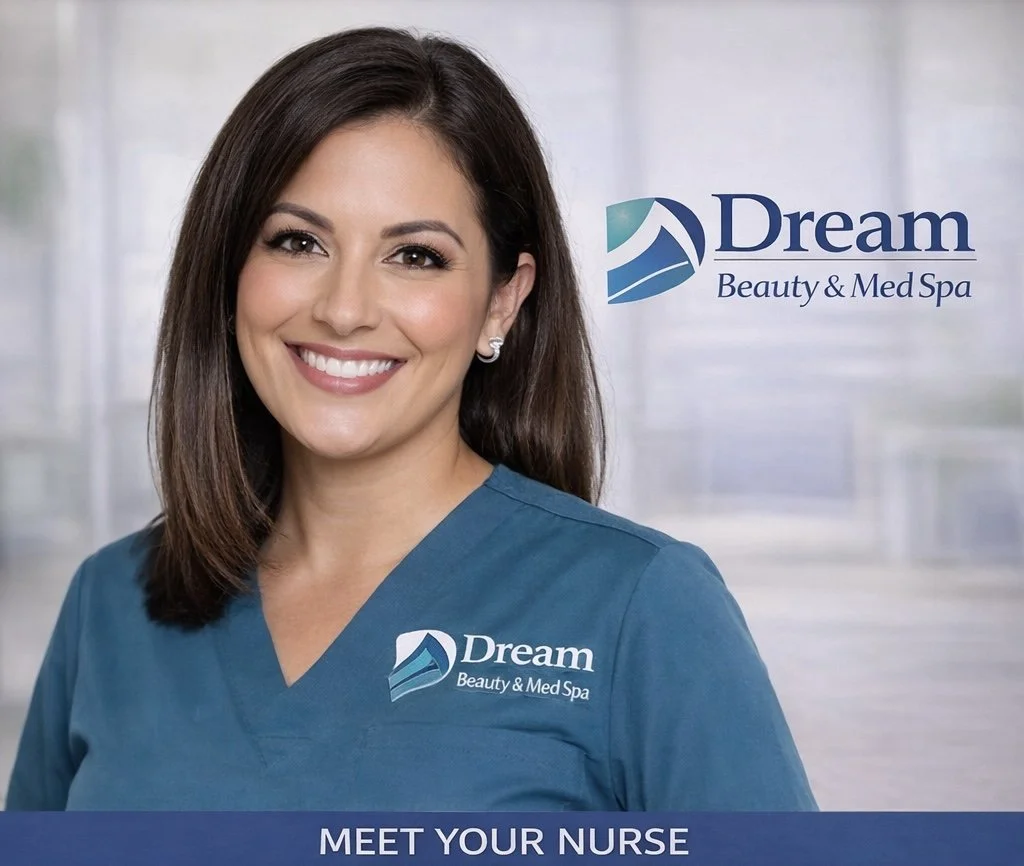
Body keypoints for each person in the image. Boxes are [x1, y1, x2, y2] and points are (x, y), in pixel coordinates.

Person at [5, 26, 815, 811]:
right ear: (229, 268)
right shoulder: (111, 603)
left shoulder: (643, 604)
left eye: (416, 256)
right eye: (298, 242)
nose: (345, 308)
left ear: (503, 300)